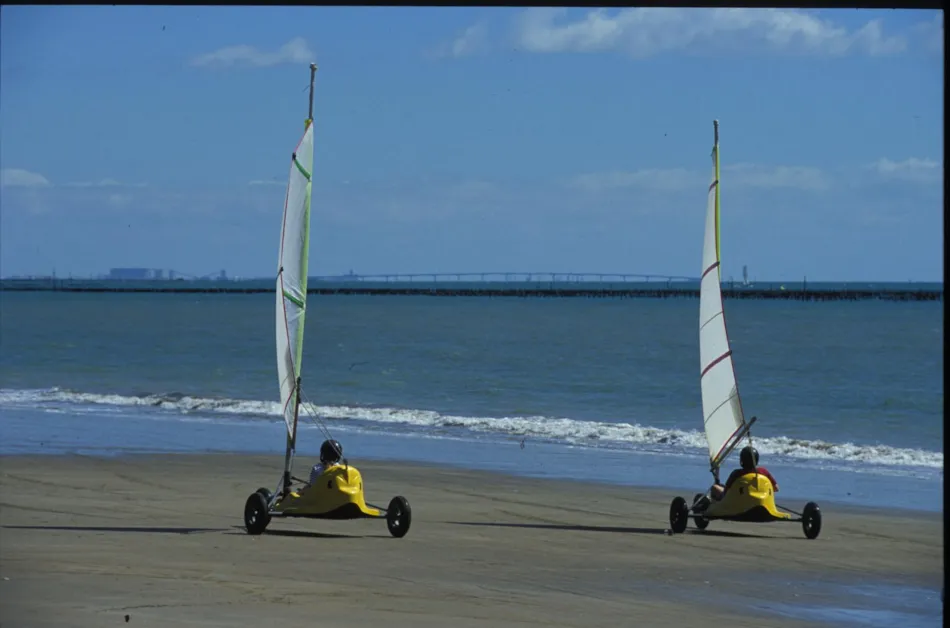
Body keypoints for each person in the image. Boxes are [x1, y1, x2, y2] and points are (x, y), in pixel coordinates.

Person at [710, 445, 778, 502]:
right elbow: (776, 488)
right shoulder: (763, 471)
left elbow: (726, 492)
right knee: (721, 486)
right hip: (760, 501)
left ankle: (715, 506)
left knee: (714, 487)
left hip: (739, 503)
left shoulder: (736, 473)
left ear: (742, 460)